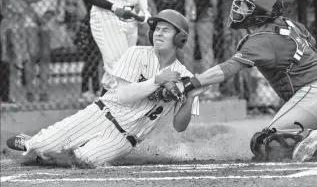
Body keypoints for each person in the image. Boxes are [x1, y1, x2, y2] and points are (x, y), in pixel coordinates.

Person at [167, 0, 317, 162]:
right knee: (291, 144)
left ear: (259, 12)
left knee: (266, 143)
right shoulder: (290, 24)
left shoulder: (261, 39)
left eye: (245, 7)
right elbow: (309, 42)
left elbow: (226, 70)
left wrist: (191, 83)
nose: (238, 10)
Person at [6, 9, 210, 167]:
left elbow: (180, 126)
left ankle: (69, 150)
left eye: (166, 30)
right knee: (39, 146)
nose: (158, 33)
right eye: (157, 29)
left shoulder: (186, 78)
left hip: (123, 138)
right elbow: (124, 95)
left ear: (179, 38)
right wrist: (158, 80)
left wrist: (189, 98)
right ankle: (37, 142)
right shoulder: (136, 53)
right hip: (100, 114)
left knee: (84, 160)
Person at [76, 0, 152, 96]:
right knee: (120, 72)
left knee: (118, 74)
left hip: (131, 15)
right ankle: (121, 114)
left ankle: (102, 113)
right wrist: (112, 7)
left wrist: (143, 6)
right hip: (106, 15)